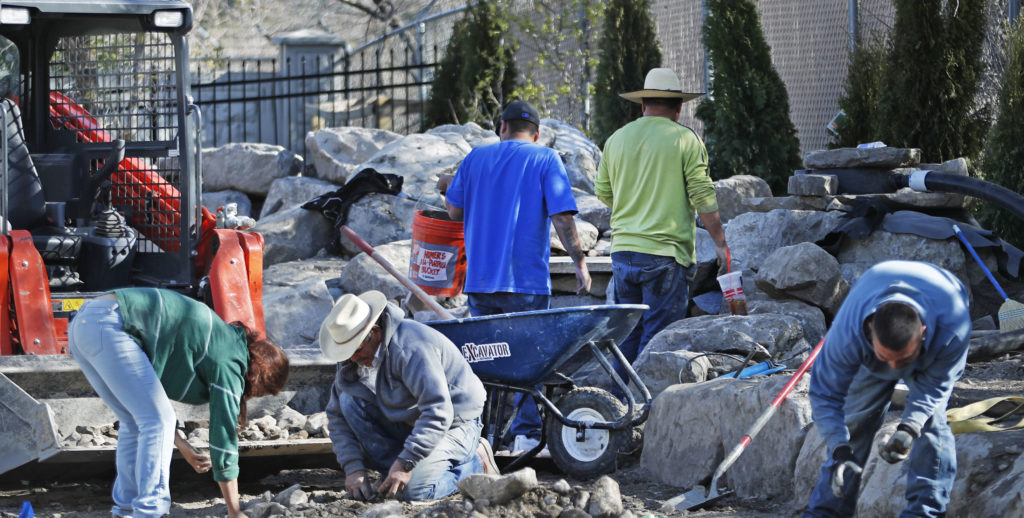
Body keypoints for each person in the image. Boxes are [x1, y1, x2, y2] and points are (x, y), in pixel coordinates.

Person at [436, 100, 591, 451]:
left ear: (501, 127)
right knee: (527, 360)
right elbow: (563, 219)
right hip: (526, 282)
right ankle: (526, 435)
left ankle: (478, 437)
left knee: (484, 363)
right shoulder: (544, 158)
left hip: (480, 283)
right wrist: (580, 264)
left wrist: (449, 186)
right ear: (536, 134)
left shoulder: (475, 158)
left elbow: (454, 213)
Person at [68, 287, 291, 518]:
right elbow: (223, 438)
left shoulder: (223, 341)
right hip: (112, 323)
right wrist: (234, 511)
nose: (252, 396)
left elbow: (148, 408)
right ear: (260, 378)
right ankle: (149, 512)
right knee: (157, 421)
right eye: (261, 392)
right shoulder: (233, 360)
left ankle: (126, 511)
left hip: (88, 323)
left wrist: (182, 445)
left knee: (135, 422)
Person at [803, 260, 971, 517]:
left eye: (902, 361)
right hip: (875, 301)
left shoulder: (952, 328)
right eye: (887, 358)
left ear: (923, 332)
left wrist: (909, 428)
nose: (895, 369)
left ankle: (923, 513)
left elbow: (936, 387)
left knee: (932, 426)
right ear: (870, 330)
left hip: (940, 307)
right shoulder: (847, 335)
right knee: (854, 423)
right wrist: (839, 449)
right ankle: (826, 512)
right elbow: (825, 396)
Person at [595, 67, 728, 386]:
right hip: (665, 258)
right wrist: (721, 243)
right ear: (679, 107)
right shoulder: (684, 139)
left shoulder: (617, 140)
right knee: (658, 344)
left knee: (627, 337)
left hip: (623, 255)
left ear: (643, 104)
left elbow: (602, 191)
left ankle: (616, 410)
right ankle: (645, 418)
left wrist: (635, 207)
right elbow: (702, 194)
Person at [321, 291, 498, 502]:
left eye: (356, 350)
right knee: (348, 402)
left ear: (375, 333)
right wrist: (353, 470)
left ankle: (477, 463)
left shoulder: (411, 348)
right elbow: (337, 415)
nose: (353, 358)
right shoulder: (353, 360)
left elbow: (438, 413)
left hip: (456, 422)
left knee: (414, 492)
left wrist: (405, 463)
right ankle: (398, 472)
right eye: (347, 352)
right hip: (412, 422)